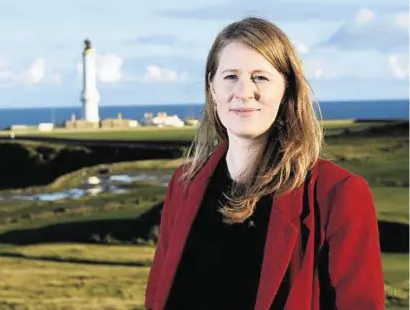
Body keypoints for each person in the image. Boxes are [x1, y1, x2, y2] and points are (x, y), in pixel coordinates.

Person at [144, 16, 385, 310]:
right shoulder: (184, 185)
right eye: (231, 76)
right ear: (212, 88)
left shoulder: (337, 193)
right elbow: (157, 299)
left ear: (286, 91)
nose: (244, 92)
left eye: (260, 77)